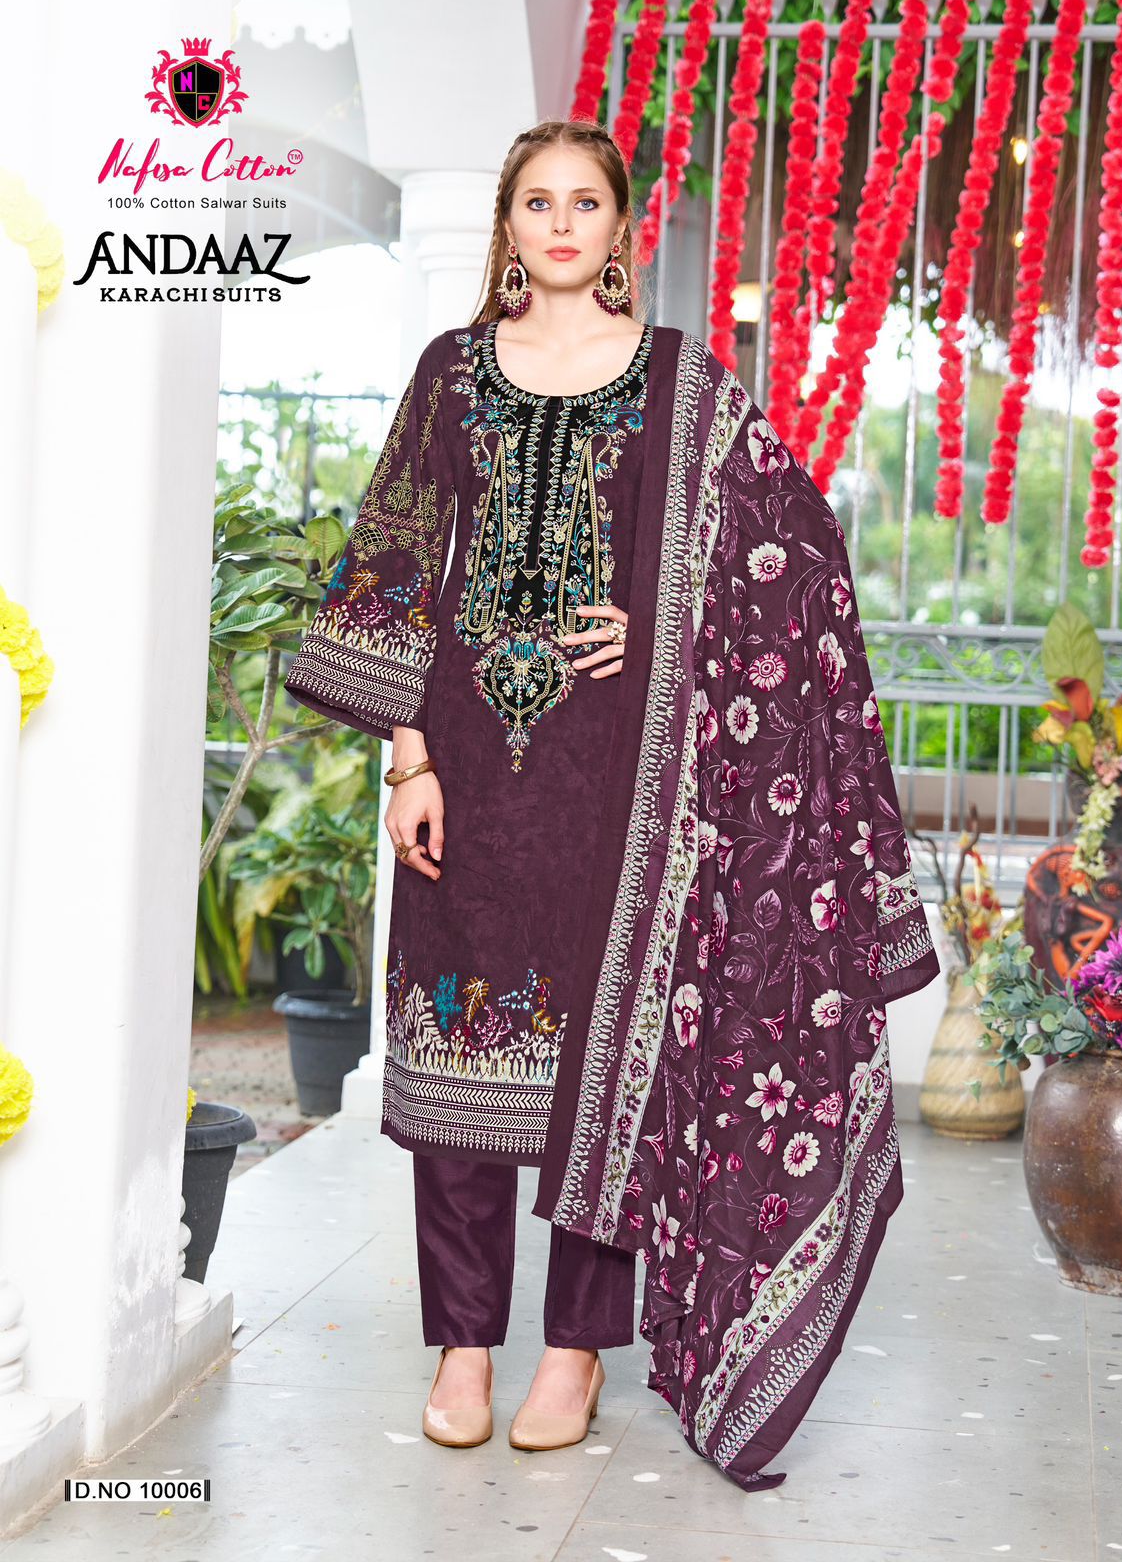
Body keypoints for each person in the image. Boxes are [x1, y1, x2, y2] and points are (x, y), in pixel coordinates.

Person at [284, 119, 942, 1489]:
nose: (561, 223)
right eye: (537, 201)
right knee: (455, 1054)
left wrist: (662, 623)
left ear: (619, 226)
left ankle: (574, 1352)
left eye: (584, 201)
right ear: (509, 226)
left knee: (611, 1063)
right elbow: (395, 559)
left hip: (627, 784)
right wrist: (409, 758)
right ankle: (462, 1346)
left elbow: (793, 545)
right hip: (467, 764)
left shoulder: (679, 382)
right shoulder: (452, 370)